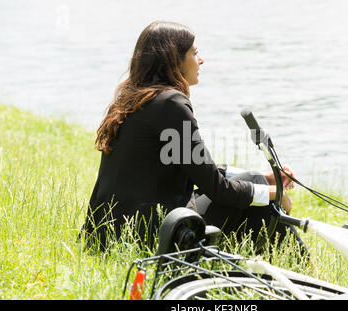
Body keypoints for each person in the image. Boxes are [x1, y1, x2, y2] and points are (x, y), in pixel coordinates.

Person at [80, 21, 307, 255]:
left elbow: (195, 167)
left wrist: (265, 178)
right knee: (260, 198)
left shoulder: (133, 99)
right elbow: (218, 190)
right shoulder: (171, 104)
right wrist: (276, 195)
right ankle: (309, 279)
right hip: (149, 236)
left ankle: (276, 271)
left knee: (254, 181)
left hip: (107, 235)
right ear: (174, 59)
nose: (201, 60)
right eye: (194, 52)